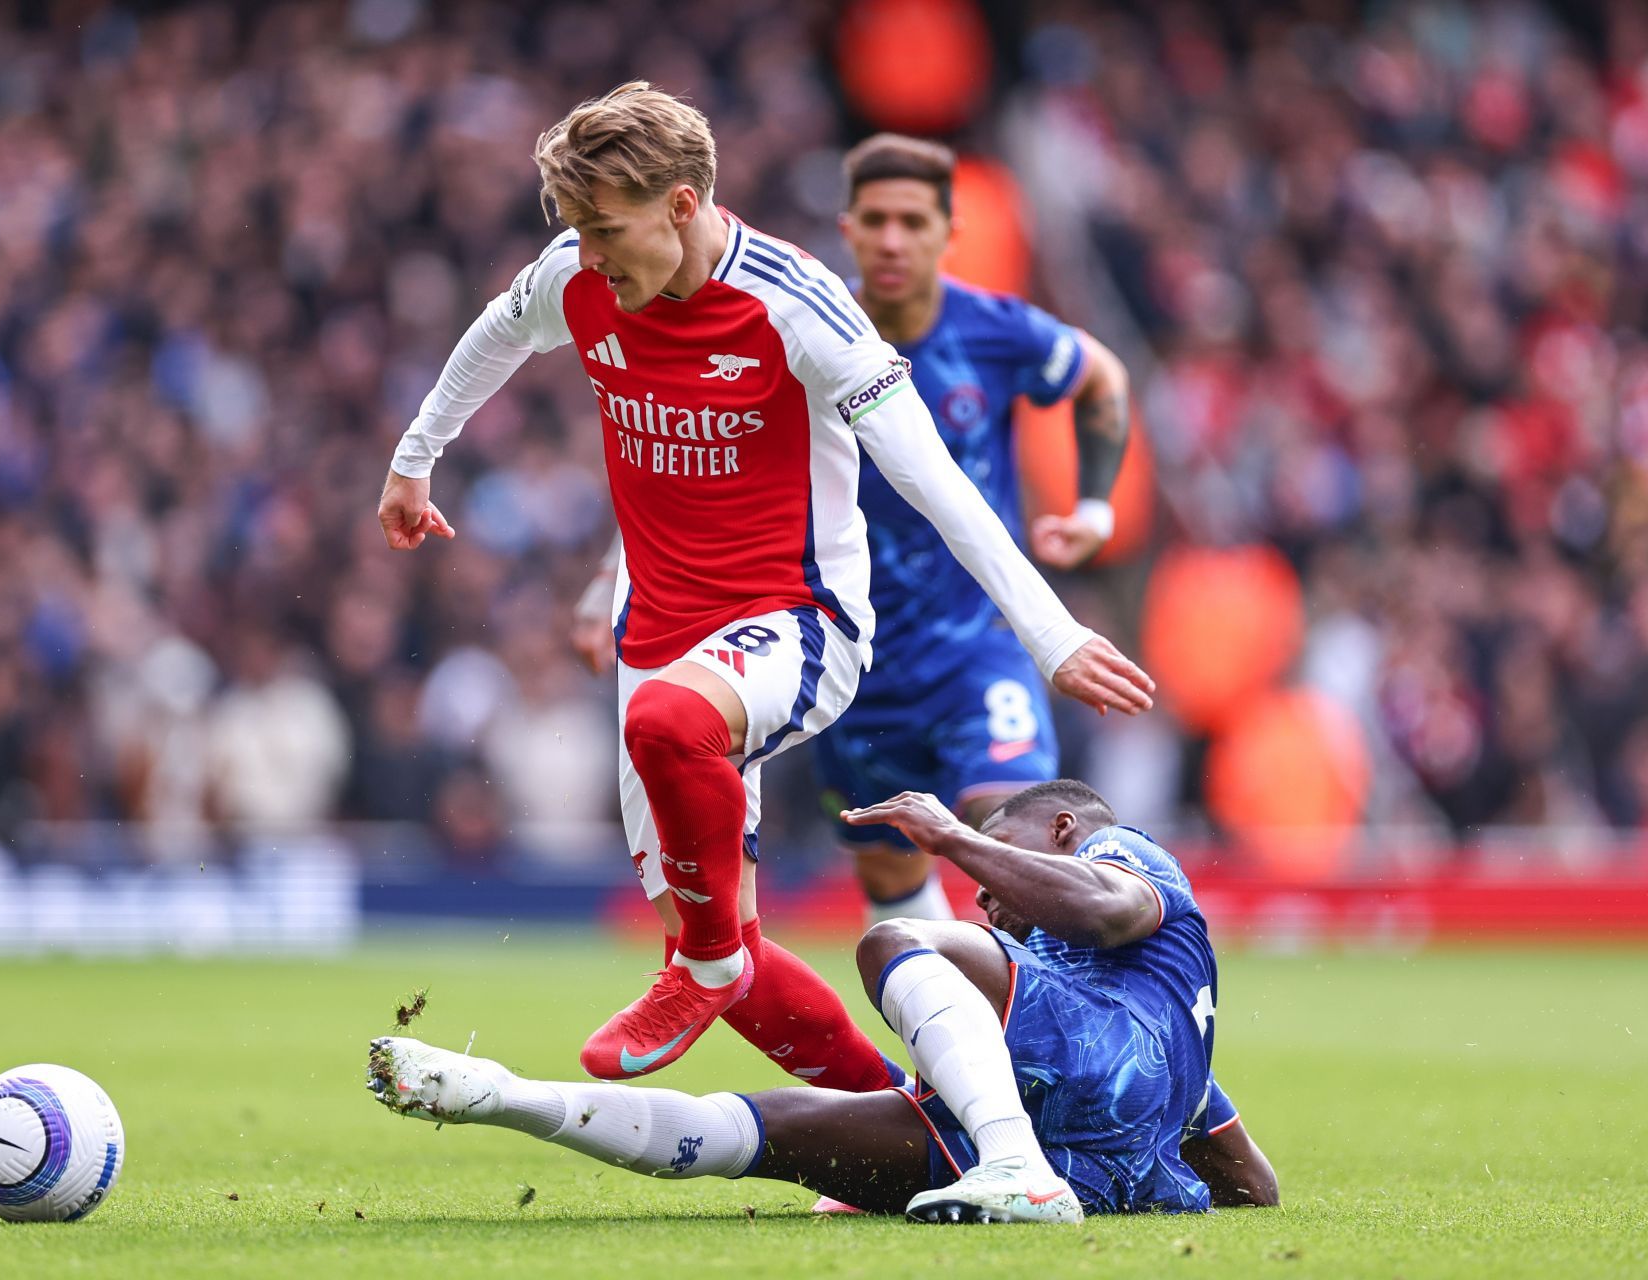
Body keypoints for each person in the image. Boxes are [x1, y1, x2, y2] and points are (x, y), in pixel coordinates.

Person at [379, 82, 1155, 1087]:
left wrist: (1051, 635)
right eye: (579, 230)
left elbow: (939, 484)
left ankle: (704, 963)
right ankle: (905, 1127)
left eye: (608, 227)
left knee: (668, 738)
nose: (593, 254)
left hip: (797, 622)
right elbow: (496, 331)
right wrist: (415, 457)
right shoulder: (576, 273)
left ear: (684, 204)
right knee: (729, 945)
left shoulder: (800, 308)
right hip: (653, 628)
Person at [369, 780, 1277, 1223]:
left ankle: (1013, 1170)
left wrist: (957, 837)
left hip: (1061, 1119)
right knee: (763, 1136)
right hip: (1099, 1166)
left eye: (1011, 854)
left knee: (895, 940)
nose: (986, 894)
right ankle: (508, 1097)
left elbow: (1107, 906)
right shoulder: (1169, 1045)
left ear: (1067, 831)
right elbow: (1254, 1188)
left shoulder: (1130, 855)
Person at [824, 134, 1137, 925]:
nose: (894, 239)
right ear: (848, 228)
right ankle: (948, 1040)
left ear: (947, 232)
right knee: (892, 884)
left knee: (1024, 832)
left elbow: (1103, 376)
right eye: (877, 220)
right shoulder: (812, 335)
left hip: (977, 645)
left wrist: (1095, 505)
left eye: (913, 221)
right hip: (849, 659)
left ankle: (1049, 1033)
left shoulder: (993, 331)